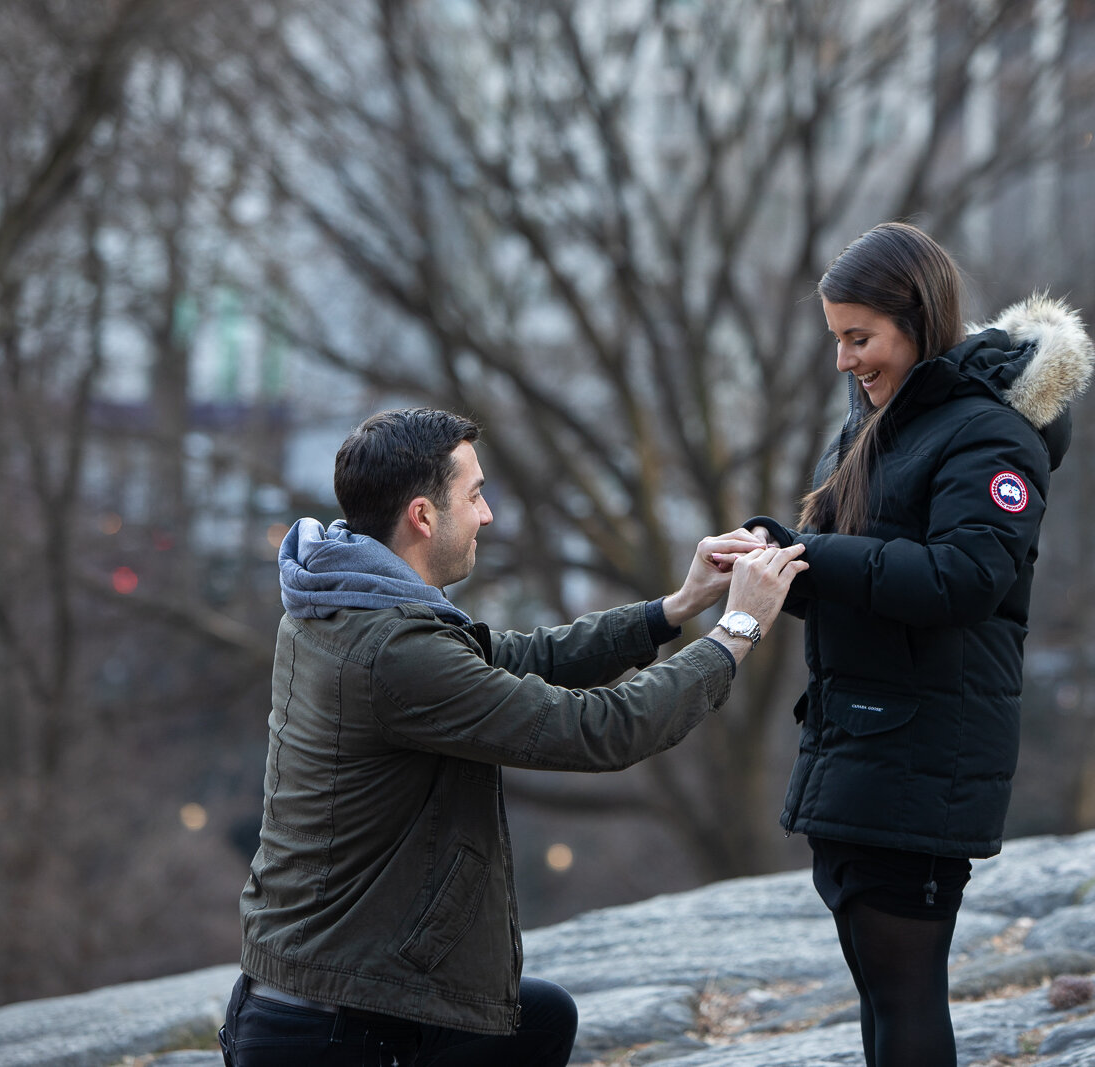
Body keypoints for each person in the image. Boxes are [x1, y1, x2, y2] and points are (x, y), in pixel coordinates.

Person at [219, 408, 806, 1067]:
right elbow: (601, 730)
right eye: (474, 495)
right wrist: (737, 632)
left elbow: (517, 657)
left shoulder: (345, 599)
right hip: (339, 1031)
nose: (488, 514)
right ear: (423, 515)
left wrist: (674, 608)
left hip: (333, 995)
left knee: (540, 1018)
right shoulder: (391, 651)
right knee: (533, 1024)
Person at [743, 222, 1095, 1067]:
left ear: (917, 318)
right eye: (836, 339)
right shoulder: (881, 422)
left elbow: (961, 579)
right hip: (863, 737)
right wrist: (771, 564)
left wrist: (809, 554)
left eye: (857, 338)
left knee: (906, 998)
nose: (844, 361)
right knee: (881, 993)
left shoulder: (990, 435)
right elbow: (871, 590)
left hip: (923, 752)